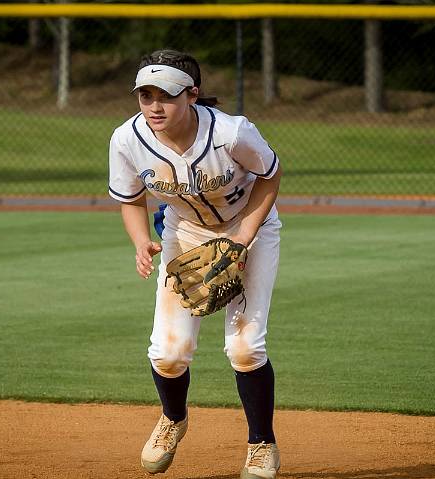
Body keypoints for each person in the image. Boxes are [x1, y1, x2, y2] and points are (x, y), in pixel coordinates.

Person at [108, 49, 282, 479]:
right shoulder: (127, 140)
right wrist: (141, 241)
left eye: (164, 96)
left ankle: (262, 446)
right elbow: (131, 200)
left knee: (245, 348)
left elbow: (270, 175)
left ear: (191, 95)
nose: (154, 106)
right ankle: (173, 419)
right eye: (145, 96)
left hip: (250, 229)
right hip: (184, 234)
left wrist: (243, 238)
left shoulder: (231, 133)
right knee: (168, 354)